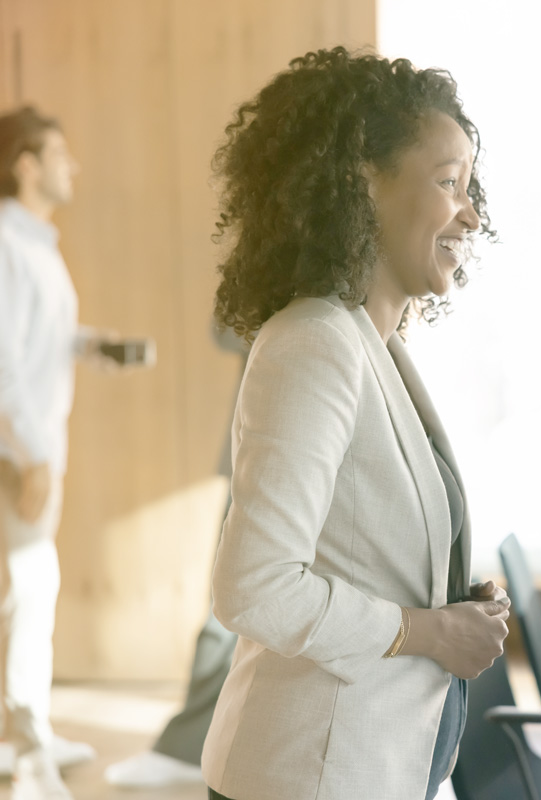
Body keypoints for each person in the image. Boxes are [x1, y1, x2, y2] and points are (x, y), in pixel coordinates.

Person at [199, 48, 509, 800]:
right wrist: (426, 632)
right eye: (447, 183)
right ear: (362, 182)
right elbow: (255, 588)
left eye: (471, 187)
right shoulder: (314, 341)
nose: (470, 212)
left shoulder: (375, 345)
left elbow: (356, 545)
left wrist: (448, 598)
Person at [0, 106, 112, 800]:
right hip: (21, 454)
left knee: (32, 588)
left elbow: (34, 339)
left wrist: (89, 344)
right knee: (28, 585)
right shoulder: (8, 244)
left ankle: (27, 727)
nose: (73, 166)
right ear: (25, 165)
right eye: (59, 154)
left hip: (38, 446)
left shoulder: (38, 243)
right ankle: (24, 733)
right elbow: (2, 360)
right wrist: (34, 456)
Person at [104, 326, 246, 790]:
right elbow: (226, 328)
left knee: (231, 613)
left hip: (315, 450)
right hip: (264, 450)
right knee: (227, 610)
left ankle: (191, 748)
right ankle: (187, 747)